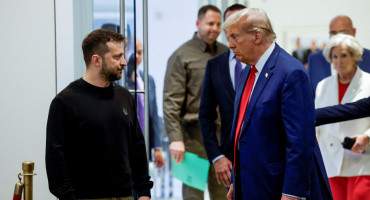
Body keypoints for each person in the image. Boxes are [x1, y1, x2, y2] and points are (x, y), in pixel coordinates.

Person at [223, 8, 332, 200]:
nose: (230, 45)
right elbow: (242, 131)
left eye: (235, 37)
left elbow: (300, 141)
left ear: (257, 36)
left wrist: (292, 193)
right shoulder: (248, 71)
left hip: (277, 187)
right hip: (248, 184)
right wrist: (235, 179)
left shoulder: (291, 73)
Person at [46, 29, 153, 200]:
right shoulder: (65, 102)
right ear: (96, 60)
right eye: (117, 57)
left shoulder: (124, 96)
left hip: (126, 195)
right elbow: (55, 160)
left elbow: (137, 147)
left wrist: (144, 192)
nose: (124, 62)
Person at [163, 4, 228, 200]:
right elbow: (171, 101)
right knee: (193, 195)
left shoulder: (226, 53)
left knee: (223, 193)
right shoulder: (181, 56)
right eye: (210, 23)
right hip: (192, 138)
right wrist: (175, 138)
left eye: (218, 24)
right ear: (198, 23)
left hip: (221, 137)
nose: (214, 28)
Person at [315, 33, 370, 200]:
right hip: (330, 159)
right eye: (335, 56)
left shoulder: (368, 82)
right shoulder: (323, 85)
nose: (338, 61)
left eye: (344, 55)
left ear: (355, 56)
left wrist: (367, 137)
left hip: (361, 159)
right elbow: (318, 119)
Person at [199, 3, 246, 188]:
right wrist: (217, 156)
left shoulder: (264, 64)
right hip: (229, 157)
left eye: (239, 21)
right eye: (229, 22)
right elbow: (205, 115)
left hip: (265, 158)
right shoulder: (214, 65)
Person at [126, 39, 165, 169]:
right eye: (133, 52)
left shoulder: (148, 80)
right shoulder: (119, 81)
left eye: (140, 52)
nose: (137, 56)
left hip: (144, 146)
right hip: (124, 147)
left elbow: (153, 114)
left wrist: (157, 147)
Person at [308, 15, 370, 92]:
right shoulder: (315, 59)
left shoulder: (368, 58)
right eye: (333, 33)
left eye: (343, 33)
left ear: (354, 32)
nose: (338, 37)